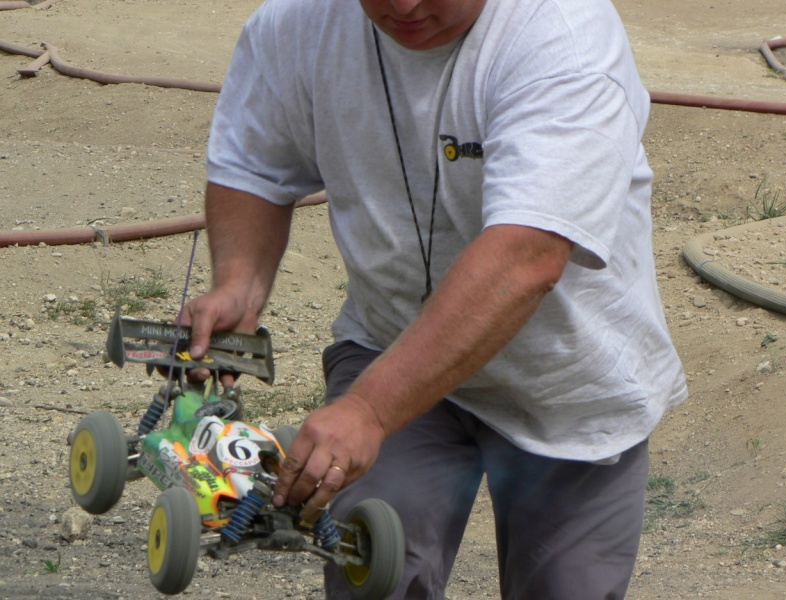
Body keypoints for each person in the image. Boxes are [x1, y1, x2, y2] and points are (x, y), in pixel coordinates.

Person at [184, 0, 688, 598]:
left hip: (567, 384)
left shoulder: (563, 34)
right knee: (374, 568)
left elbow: (525, 256)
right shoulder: (299, 23)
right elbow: (254, 164)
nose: (404, 5)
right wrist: (240, 280)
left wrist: (367, 411)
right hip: (392, 344)